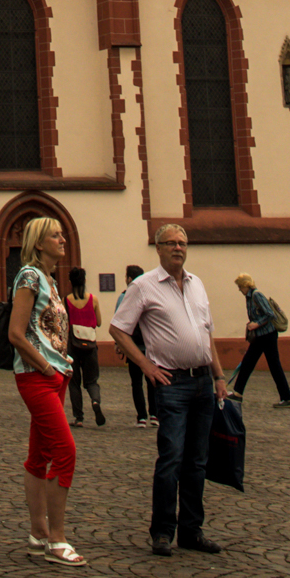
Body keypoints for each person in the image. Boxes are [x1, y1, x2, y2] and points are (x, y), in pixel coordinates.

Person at [110, 223, 230, 556]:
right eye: (171, 243)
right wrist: (146, 365)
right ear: (158, 248)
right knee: (172, 458)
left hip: (203, 382)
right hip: (172, 384)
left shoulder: (197, 285)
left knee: (197, 462)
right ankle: (162, 531)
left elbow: (207, 335)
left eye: (182, 243)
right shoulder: (143, 286)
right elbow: (119, 329)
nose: (178, 248)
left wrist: (219, 377)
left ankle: (192, 531)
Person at [6, 216, 84, 566]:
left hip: (56, 375)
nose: (63, 239)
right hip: (38, 377)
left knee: (39, 456)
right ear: (39, 243)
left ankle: (38, 532)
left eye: (62, 233)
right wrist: (46, 367)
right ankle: (57, 539)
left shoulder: (51, 281)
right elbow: (16, 333)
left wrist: (60, 364)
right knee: (65, 451)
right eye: (55, 235)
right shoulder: (28, 276)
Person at [227, 272, 290, 406]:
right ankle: (238, 393)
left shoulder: (257, 295)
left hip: (267, 335)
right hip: (260, 336)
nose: (239, 289)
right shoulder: (249, 297)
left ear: (246, 285)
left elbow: (270, 314)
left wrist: (256, 324)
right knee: (247, 363)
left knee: (273, 365)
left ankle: (287, 398)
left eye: (240, 287)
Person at [113, 264, 153, 426]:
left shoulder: (123, 297)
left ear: (129, 279)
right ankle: (155, 415)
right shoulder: (150, 295)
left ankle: (142, 416)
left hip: (133, 347)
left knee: (136, 383)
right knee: (152, 381)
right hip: (150, 347)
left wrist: (119, 344)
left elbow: (118, 324)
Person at [64, 268, 105, 427]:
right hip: (90, 346)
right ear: (85, 281)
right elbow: (99, 322)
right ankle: (95, 401)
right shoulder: (93, 299)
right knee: (92, 380)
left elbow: (64, 323)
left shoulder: (66, 300)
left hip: (73, 345)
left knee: (74, 383)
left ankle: (79, 417)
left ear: (71, 282)